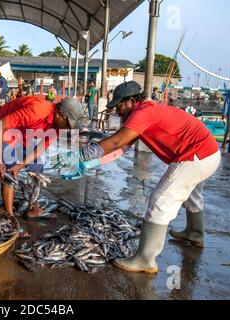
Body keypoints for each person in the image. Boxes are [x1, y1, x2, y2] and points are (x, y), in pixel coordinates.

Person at [56, 81, 221, 273]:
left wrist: (80, 155)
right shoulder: (143, 113)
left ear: (132, 100)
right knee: (191, 195)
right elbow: (120, 148)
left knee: (161, 200)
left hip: (195, 156)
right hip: (208, 154)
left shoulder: (144, 113)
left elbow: (116, 141)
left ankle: (145, 259)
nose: (117, 111)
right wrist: (87, 165)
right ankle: (194, 234)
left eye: (119, 105)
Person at [0, 96, 84, 220]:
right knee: (7, 168)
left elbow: (40, 149)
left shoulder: (58, 127)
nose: (68, 128)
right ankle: (10, 217)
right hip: (4, 126)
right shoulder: (37, 111)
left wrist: (21, 165)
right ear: (59, 114)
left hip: (26, 130)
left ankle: (33, 207)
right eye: (68, 123)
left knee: (37, 166)